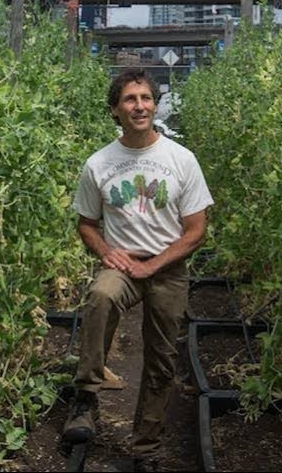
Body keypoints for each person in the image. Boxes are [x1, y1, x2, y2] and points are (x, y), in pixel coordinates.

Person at [63, 68, 213, 470]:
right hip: (125, 265)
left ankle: (146, 447)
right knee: (101, 295)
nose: (139, 106)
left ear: (156, 105)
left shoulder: (181, 160)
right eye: (130, 99)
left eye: (146, 98)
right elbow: (86, 223)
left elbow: (196, 231)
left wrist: (156, 265)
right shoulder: (99, 164)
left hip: (168, 269)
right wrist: (106, 252)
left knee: (162, 359)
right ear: (115, 110)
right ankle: (86, 396)